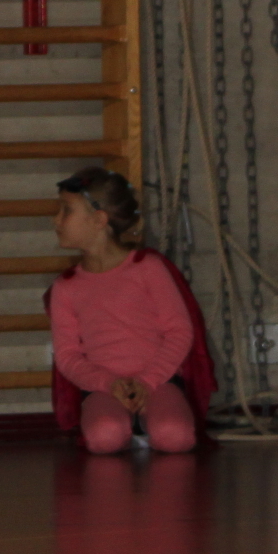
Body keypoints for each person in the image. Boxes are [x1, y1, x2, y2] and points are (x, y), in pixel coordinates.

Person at [45, 168, 215, 455]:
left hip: (158, 381)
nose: (56, 220)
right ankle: (130, 427)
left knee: (176, 437)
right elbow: (68, 356)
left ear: (99, 220)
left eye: (66, 211)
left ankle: (146, 425)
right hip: (104, 387)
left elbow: (179, 331)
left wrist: (147, 382)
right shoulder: (66, 287)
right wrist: (109, 384)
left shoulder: (147, 268)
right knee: (104, 438)